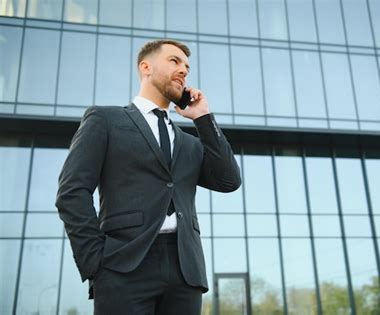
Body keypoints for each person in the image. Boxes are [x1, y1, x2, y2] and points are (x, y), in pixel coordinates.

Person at [56, 39, 241, 314]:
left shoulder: (189, 144)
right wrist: (95, 262)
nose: (184, 71)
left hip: (185, 271)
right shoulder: (104, 120)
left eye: (187, 66)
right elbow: (72, 192)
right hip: (122, 265)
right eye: (174, 61)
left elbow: (229, 181)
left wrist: (203, 117)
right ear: (146, 67)